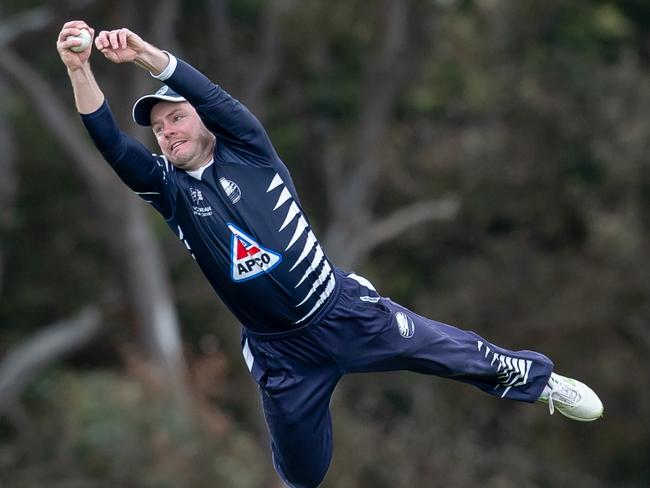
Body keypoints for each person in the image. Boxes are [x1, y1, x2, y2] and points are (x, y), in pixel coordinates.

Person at [57, 20, 604, 488]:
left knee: (449, 351)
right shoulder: (170, 192)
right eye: (157, 128)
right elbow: (110, 143)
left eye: (175, 117)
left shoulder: (248, 148)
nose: (167, 132)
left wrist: (148, 56)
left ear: (202, 120)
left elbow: (215, 97)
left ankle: (541, 383)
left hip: (342, 311)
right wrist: (79, 69)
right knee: (304, 474)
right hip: (281, 355)